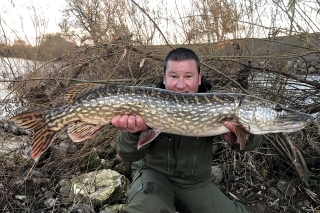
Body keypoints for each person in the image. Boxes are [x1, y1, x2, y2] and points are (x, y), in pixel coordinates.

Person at [111, 47, 263, 213]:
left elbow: (251, 142)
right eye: (174, 76)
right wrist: (134, 133)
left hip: (196, 183)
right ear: (164, 78)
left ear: (199, 78)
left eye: (188, 76)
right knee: (147, 209)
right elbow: (126, 154)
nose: (181, 85)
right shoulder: (144, 102)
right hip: (154, 175)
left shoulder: (218, 103)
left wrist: (239, 137)